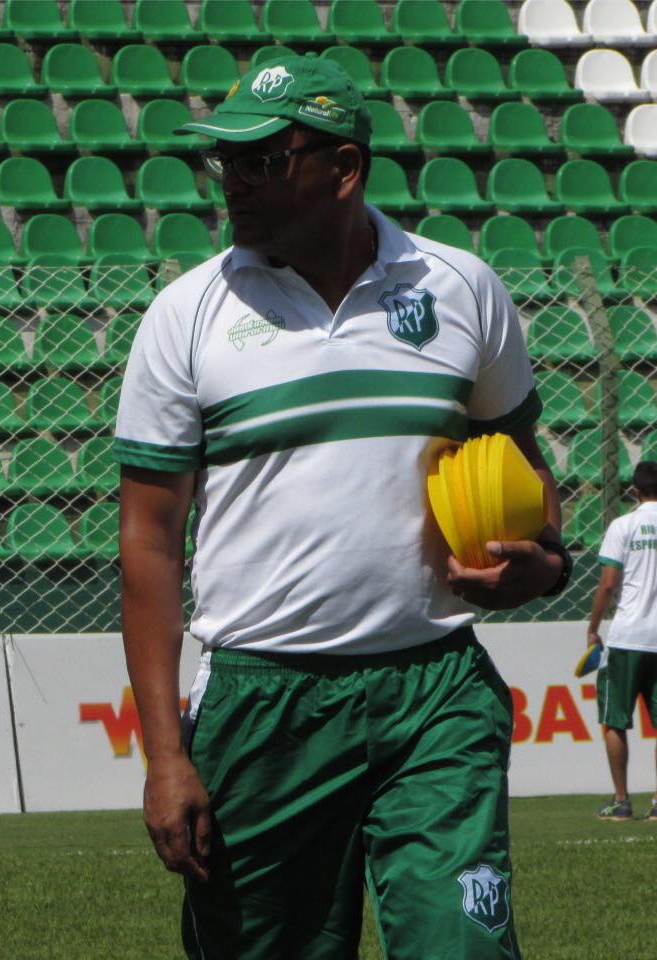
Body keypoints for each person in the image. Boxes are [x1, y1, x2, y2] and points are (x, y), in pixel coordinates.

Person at [114, 54, 570, 960]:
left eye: (264, 159)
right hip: (262, 701)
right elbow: (150, 542)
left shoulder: (462, 289)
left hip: (434, 690)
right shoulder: (186, 314)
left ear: (345, 168)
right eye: (225, 162)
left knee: (464, 949)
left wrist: (545, 565)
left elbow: (524, 468)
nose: (235, 182)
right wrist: (166, 756)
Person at [587, 460, 657, 823]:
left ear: (634, 491)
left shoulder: (624, 525)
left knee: (615, 719)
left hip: (628, 635)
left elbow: (609, 583)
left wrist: (593, 626)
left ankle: (621, 800)